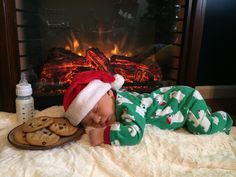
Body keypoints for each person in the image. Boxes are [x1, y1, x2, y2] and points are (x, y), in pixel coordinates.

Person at [63, 70, 233, 146]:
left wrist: (103, 135)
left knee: (202, 128)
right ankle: (207, 112)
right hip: (175, 102)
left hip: (184, 100)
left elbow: (135, 133)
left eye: (96, 110)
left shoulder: (125, 105)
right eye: (91, 121)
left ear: (109, 93)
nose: (98, 119)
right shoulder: (116, 105)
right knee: (192, 124)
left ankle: (223, 118)